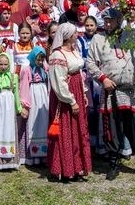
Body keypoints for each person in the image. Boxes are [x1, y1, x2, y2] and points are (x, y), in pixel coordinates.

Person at [84, 9, 135, 179]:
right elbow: (90, 63)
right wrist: (103, 79)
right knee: (113, 128)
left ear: (118, 21)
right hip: (112, 89)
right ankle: (114, 164)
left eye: (111, 20)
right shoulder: (98, 38)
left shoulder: (130, 35)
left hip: (131, 89)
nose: (107, 24)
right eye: (106, 20)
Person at [47, 23, 91, 183]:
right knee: (66, 130)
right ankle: (65, 169)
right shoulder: (57, 55)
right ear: (67, 36)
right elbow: (59, 82)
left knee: (78, 129)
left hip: (77, 90)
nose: (77, 34)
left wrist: (83, 92)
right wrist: (71, 100)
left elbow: (78, 72)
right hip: (64, 97)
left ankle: (78, 167)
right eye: (74, 33)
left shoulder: (74, 50)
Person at [18, 46, 50, 166]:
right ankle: (31, 156)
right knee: (31, 123)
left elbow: (48, 82)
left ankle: (44, 155)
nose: (40, 62)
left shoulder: (45, 69)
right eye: (38, 60)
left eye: (42, 60)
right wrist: (25, 104)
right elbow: (24, 86)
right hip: (32, 94)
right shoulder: (27, 70)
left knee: (43, 122)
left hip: (43, 96)